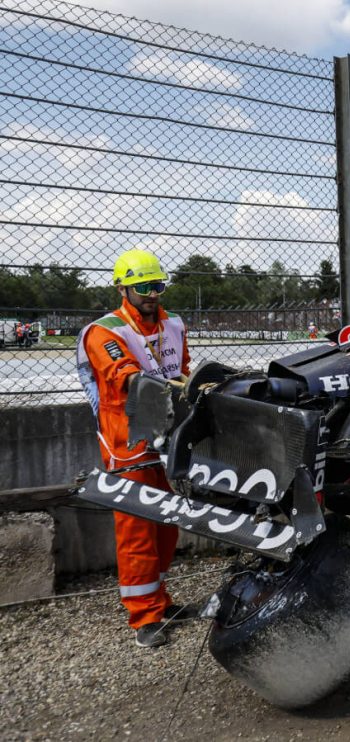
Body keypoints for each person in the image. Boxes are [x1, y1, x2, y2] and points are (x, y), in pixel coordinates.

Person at [75, 248, 197, 646]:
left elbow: (183, 369)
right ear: (122, 289)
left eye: (157, 285)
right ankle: (144, 617)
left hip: (169, 436)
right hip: (129, 444)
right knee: (137, 528)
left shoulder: (174, 323)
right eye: (143, 287)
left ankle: (160, 601)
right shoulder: (104, 332)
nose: (152, 293)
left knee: (167, 523)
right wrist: (177, 387)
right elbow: (126, 376)